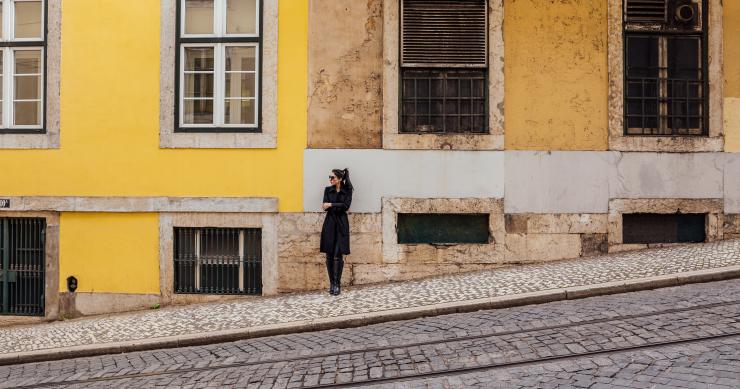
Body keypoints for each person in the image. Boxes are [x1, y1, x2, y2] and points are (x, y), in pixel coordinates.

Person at [320, 168, 353, 295]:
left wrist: (332, 205)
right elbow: (324, 206)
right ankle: (332, 284)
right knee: (329, 255)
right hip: (329, 224)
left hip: (341, 224)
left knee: (337, 255)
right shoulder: (328, 190)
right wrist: (331, 205)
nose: (330, 179)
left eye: (332, 177)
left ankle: (337, 284)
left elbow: (346, 206)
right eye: (330, 177)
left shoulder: (347, 190)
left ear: (339, 179)